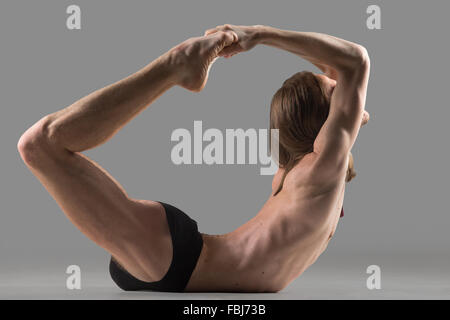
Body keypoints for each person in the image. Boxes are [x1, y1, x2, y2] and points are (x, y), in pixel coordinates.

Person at [17, 24, 370, 293]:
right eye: (336, 92)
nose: (348, 96)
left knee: (43, 147)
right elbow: (354, 61)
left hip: (174, 260)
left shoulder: (301, 174)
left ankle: (177, 69)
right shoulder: (320, 167)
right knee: (40, 145)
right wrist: (257, 35)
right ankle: (173, 67)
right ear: (327, 119)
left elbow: (340, 67)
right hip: (177, 259)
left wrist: (267, 43)